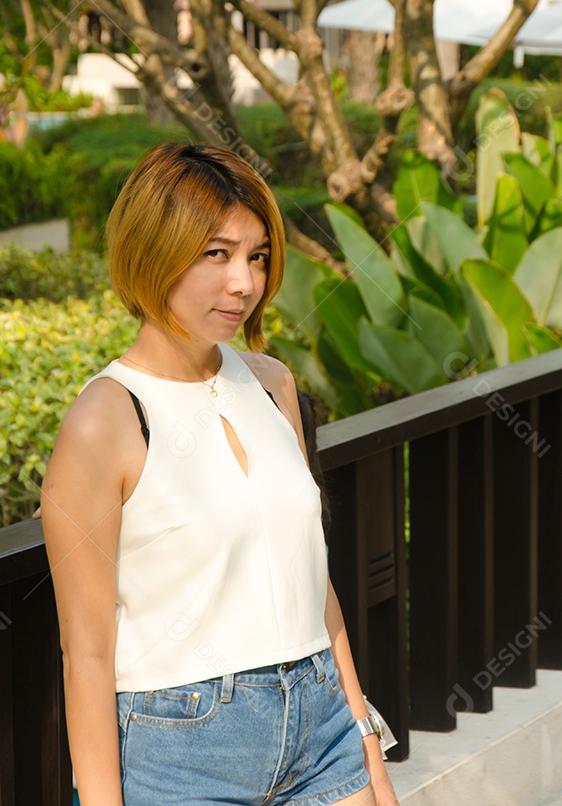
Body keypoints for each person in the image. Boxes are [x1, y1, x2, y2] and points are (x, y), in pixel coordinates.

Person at [41, 142, 399, 806]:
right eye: (217, 253)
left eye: (256, 256)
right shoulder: (105, 422)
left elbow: (310, 578)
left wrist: (364, 736)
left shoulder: (271, 384)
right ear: (153, 251)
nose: (245, 282)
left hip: (320, 728)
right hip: (180, 752)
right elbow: (85, 654)